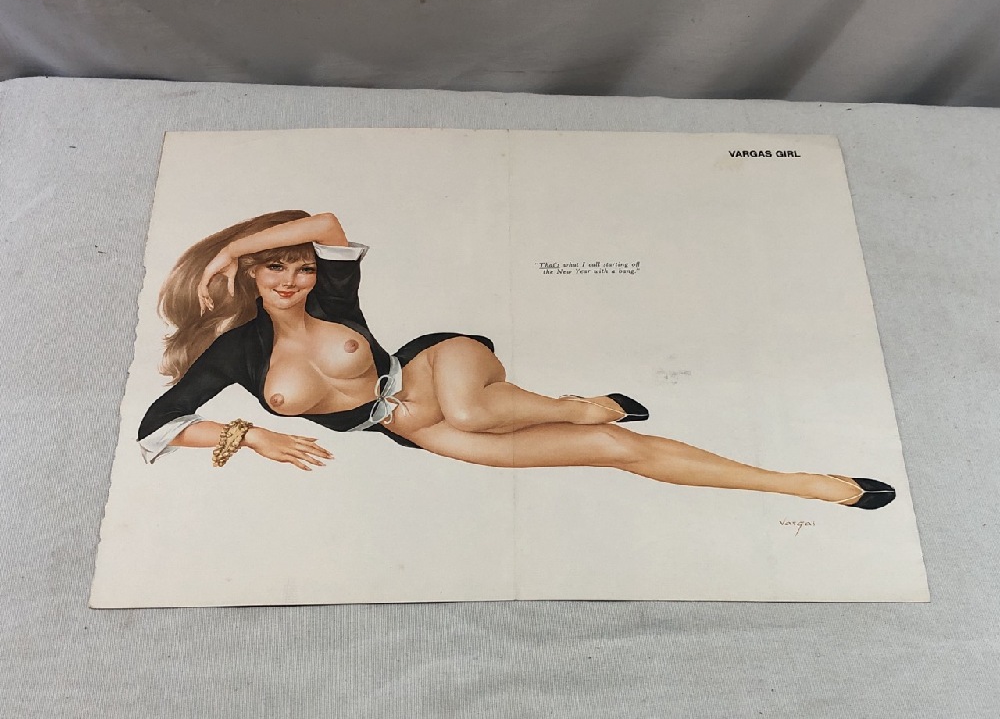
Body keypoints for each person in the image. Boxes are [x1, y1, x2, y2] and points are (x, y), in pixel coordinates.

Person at [138, 210, 896, 510]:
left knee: (475, 411)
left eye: (300, 266)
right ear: (251, 281)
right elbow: (158, 425)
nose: (291, 279)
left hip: (438, 366)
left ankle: (577, 404)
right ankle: (803, 486)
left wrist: (232, 247)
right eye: (273, 268)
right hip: (411, 427)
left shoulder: (335, 300)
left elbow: (329, 221)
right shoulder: (235, 353)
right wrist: (249, 435)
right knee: (613, 450)